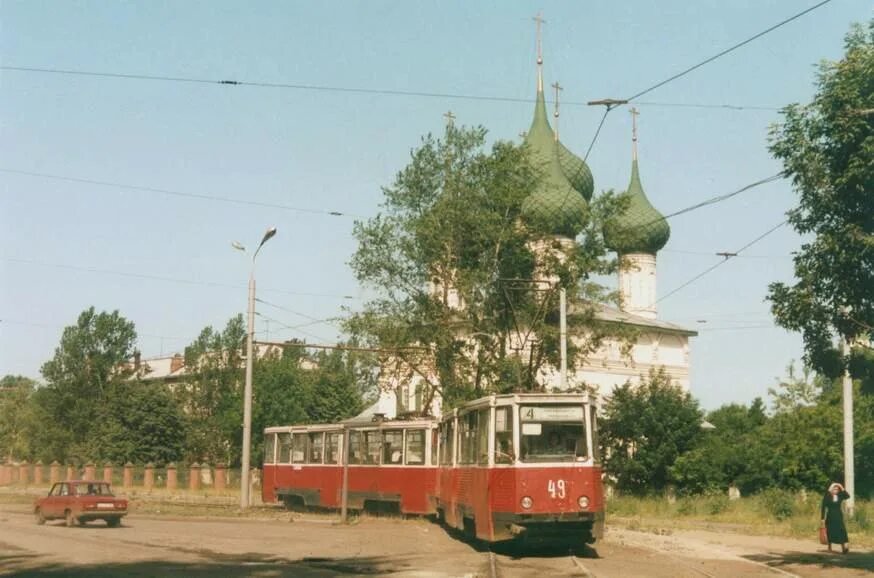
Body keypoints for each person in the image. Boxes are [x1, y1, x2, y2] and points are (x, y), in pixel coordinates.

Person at [820, 482, 851, 553]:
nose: (836, 490)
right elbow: (823, 507)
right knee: (830, 531)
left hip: (838, 516)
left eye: (837, 489)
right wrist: (822, 518)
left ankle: (843, 548)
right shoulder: (828, 496)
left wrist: (841, 486)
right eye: (834, 489)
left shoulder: (840, 496)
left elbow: (847, 496)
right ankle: (829, 548)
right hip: (830, 516)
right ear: (831, 490)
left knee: (841, 530)